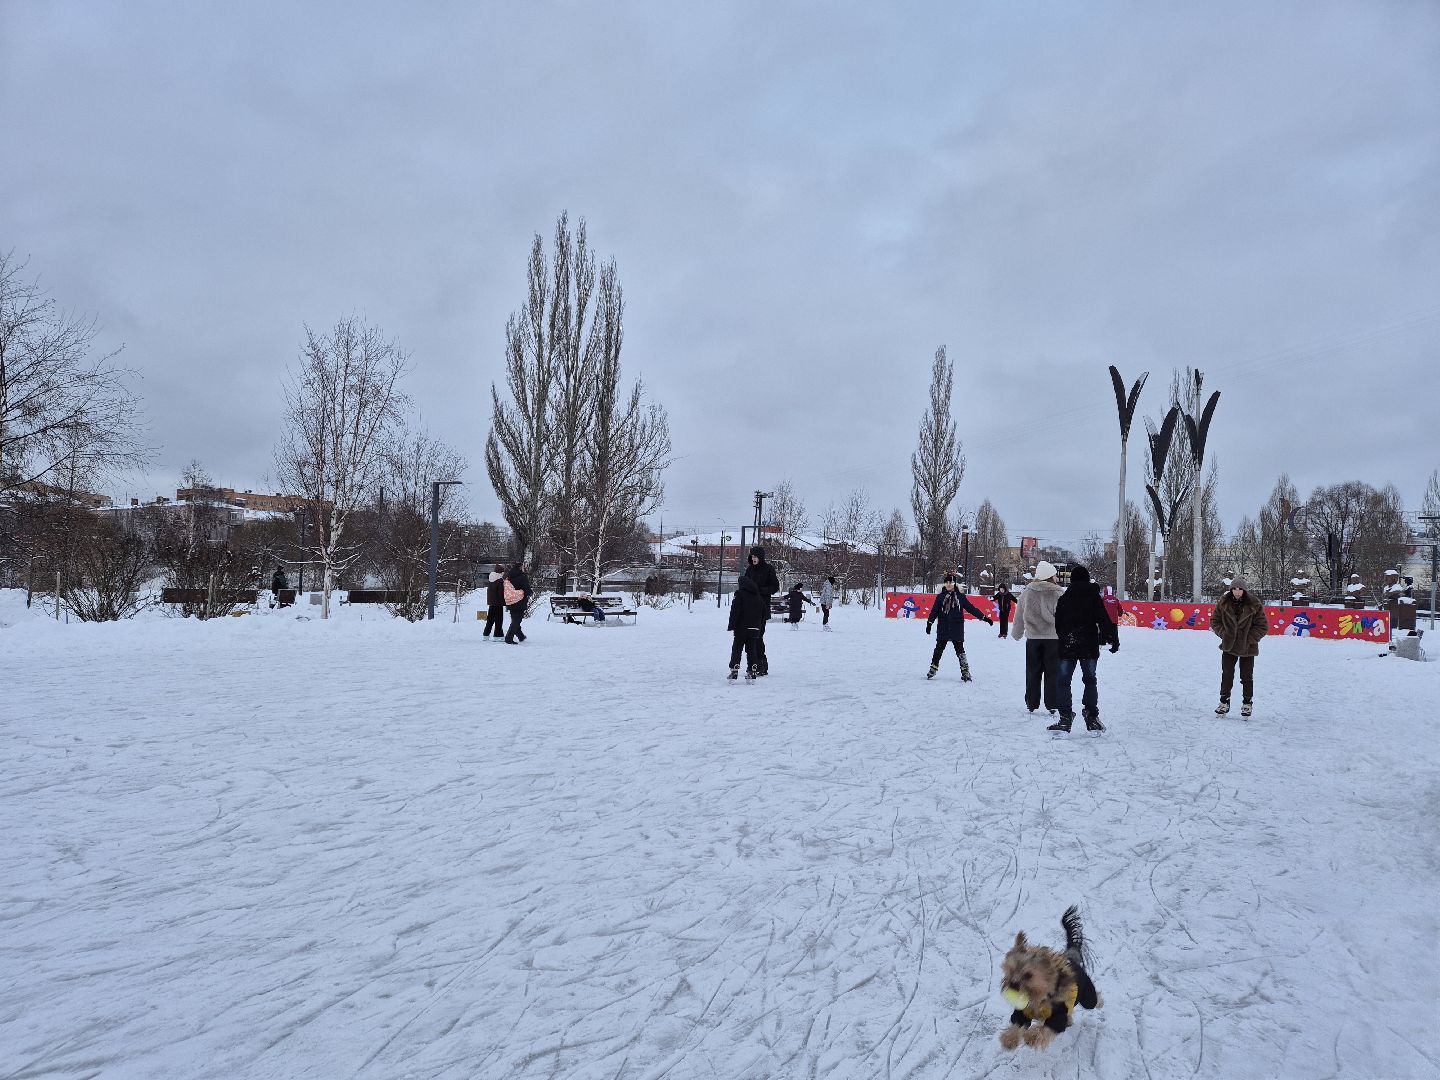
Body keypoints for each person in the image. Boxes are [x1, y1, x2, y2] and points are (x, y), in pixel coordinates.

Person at [1050, 565, 1120, 737]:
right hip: (1088, 645)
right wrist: (1112, 638)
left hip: (1068, 644)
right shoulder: (1093, 597)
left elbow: (1058, 623)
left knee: (1063, 682)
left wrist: (1065, 636)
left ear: (1072, 580)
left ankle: (1065, 717)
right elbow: (1103, 619)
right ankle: (1091, 716)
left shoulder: (1065, 598)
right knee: (1090, 680)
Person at [1010, 561, 1064, 715]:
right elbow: (1063, 617)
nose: (1056, 577)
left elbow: (1019, 613)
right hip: (1053, 639)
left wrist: (1017, 632)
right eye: (1054, 574)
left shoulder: (1028, 591)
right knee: (1052, 672)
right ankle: (1052, 703)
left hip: (1033, 639)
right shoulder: (1058, 593)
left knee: (1032, 671)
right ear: (1049, 576)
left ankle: (1031, 703)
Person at [1211, 575, 1267, 717]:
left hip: (1248, 647)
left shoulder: (1254, 604)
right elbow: (1215, 621)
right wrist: (1224, 633)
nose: (1237, 591)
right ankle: (1224, 702)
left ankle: (1247, 704)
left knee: (1246, 676)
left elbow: (1262, 626)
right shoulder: (1224, 603)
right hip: (1229, 646)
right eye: (1234, 588)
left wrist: (1250, 638)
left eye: (1240, 589)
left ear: (1244, 590)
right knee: (1227, 674)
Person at [926, 572, 993, 680]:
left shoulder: (961, 597)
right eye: (946, 582)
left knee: (960, 650)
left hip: (957, 627)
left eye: (951, 582)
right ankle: (933, 669)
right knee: (939, 649)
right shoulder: (940, 597)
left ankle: (965, 672)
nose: (948, 584)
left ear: (954, 583)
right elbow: (934, 611)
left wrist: (984, 618)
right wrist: (929, 623)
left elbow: (971, 609)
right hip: (943, 626)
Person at [740, 546, 779, 675]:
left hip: (762, 608)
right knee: (750, 637)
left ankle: (761, 664)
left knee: (758, 637)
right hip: (749, 609)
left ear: (760, 557)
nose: (753, 559)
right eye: (752, 556)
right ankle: (752, 664)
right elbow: (744, 585)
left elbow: (775, 587)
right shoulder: (749, 570)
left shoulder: (768, 569)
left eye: (756, 556)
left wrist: (761, 590)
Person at [727, 574, 766, 680]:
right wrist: (758, 626)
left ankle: (734, 669)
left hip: (741, 628)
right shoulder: (758, 597)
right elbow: (763, 614)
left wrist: (732, 626)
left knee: (737, 648)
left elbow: (735, 611)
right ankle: (753, 668)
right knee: (751, 649)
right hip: (754, 629)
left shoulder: (740, 594)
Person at [503, 563, 532, 644]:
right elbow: (526, 589)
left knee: (515, 619)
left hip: (511, 601)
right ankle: (509, 638)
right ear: (520, 568)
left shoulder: (509, 576)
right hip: (519, 602)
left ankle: (520, 636)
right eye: (523, 567)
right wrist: (530, 592)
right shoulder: (522, 576)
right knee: (517, 620)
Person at [482, 566, 506, 639]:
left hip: (492, 603)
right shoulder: (499, 581)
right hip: (498, 603)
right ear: (500, 572)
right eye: (503, 572)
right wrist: (504, 602)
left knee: (490, 619)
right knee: (499, 620)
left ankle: (486, 635)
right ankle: (498, 635)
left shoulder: (491, 579)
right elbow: (500, 593)